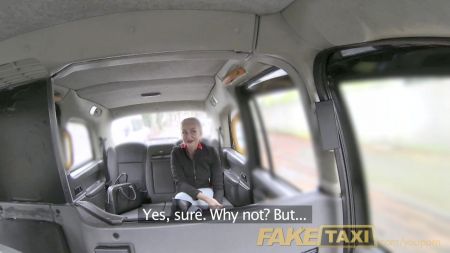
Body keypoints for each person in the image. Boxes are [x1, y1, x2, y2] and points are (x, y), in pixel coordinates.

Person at [170, 117, 224, 214]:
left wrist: (216, 203)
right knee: (179, 200)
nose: (188, 136)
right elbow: (180, 184)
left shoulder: (211, 152)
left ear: (200, 134)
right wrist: (206, 199)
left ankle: (196, 212)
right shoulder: (176, 152)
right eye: (184, 132)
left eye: (193, 131)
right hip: (187, 194)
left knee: (187, 207)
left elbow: (218, 186)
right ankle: (197, 213)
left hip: (206, 192)